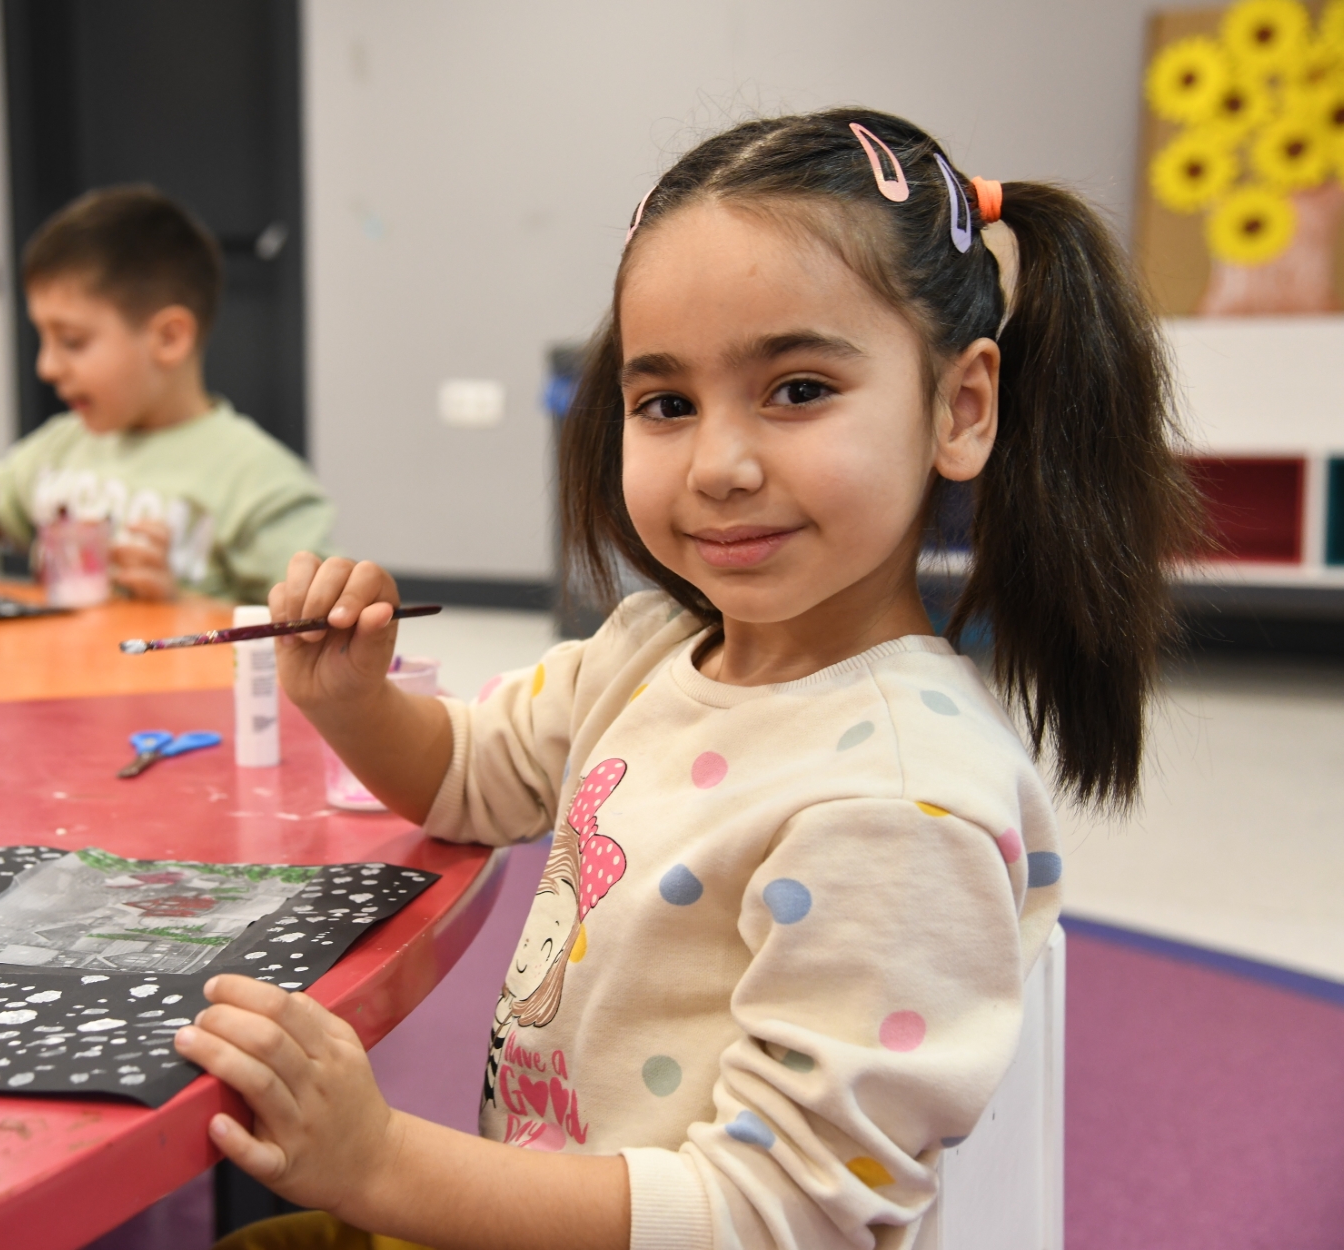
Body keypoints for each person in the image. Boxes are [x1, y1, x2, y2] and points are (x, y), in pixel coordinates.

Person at [172, 109, 1201, 1249]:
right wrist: (352, 697)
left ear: (961, 407)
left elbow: (775, 1218)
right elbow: (472, 773)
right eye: (666, 404)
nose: (720, 464)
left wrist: (381, 1160)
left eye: (800, 388)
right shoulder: (655, 648)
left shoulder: (900, 808)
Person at [0, 185, 334, 603]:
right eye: (42, 338)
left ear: (168, 339)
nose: (46, 366)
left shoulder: (260, 482)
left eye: (73, 342)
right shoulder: (65, 445)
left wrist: (179, 602)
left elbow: (309, 636)